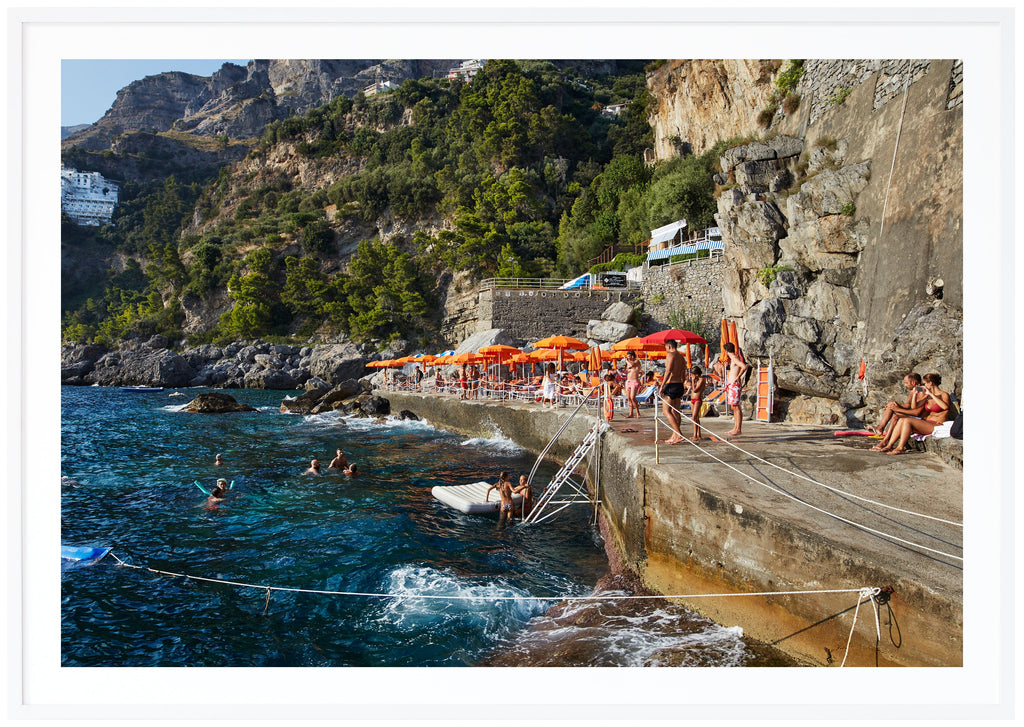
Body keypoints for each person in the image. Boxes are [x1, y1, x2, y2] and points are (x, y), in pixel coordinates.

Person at [873, 373, 952, 454]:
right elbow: (914, 407)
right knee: (901, 420)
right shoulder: (927, 397)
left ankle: (900, 448)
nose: (923, 386)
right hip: (927, 423)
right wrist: (914, 394)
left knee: (907, 421)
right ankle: (889, 446)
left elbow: (945, 407)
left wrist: (931, 394)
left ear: (930, 383)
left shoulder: (943, 395)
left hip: (937, 424)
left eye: (924, 384)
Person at [659, 339, 687, 444]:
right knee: (676, 411)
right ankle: (675, 435)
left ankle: (679, 434)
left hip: (671, 384)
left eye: (666, 348)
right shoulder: (681, 357)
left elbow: (668, 370)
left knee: (666, 411)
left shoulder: (671, 355)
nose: (666, 350)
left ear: (669, 347)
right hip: (679, 384)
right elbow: (683, 373)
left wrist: (662, 385)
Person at [723, 342, 749, 437]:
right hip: (732, 385)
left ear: (726, 350)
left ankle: (738, 429)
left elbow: (744, 366)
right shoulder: (733, 358)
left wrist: (738, 376)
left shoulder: (734, 358)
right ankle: (735, 427)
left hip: (734, 384)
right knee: (734, 407)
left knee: (736, 407)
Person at [687, 366, 707, 440]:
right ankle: (698, 434)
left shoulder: (701, 380)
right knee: (696, 418)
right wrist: (694, 381)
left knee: (694, 417)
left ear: (696, 374)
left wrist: (692, 381)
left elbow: (695, 390)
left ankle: (695, 435)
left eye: (692, 374)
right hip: (693, 400)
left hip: (697, 400)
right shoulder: (697, 380)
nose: (691, 376)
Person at [623, 351, 643, 418]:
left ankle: (637, 412)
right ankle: (631, 413)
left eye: (629, 357)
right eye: (627, 357)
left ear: (632, 356)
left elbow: (632, 365)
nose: (628, 358)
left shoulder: (636, 361)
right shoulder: (628, 364)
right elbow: (627, 371)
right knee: (629, 398)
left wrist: (626, 361)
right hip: (628, 381)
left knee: (632, 397)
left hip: (634, 381)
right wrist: (625, 370)